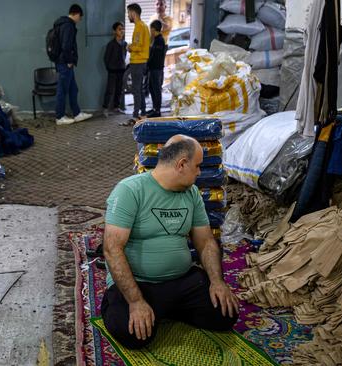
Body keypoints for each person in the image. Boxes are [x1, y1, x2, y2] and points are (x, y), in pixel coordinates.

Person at [101, 135, 239, 349]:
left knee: (225, 314)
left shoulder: (192, 193)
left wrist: (217, 282)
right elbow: (112, 249)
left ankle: (164, 308)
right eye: (197, 166)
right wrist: (136, 302)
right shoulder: (130, 190)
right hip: (140, 284)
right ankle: (126, 303)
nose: (200, 172)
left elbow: (205, 242)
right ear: (182, 164)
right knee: (133, 335)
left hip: (181, 280)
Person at [53, 4, 93, 126]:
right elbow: (66, 46)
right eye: (80, 17)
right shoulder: (68, 25)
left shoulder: (62, 24)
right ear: (75, 14)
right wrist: (69, 61)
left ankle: (76, 113)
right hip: (65, 63)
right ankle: (60, 116)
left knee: (73, 89)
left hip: (62, 62)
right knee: (62, 90)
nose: (79, 20)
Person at [124, 3, 150, 126]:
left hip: (137, 62)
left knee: (136, 89)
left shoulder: (139, 27)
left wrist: (129, 47)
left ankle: (135, 115)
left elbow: (138, 46)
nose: (128, 15)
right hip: (142, 62)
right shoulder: (143, 26)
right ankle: (143, 112)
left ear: (133, 13)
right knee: (139, 89)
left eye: (128, 13)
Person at [103, 22, 127, 117]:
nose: (122, 31)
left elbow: (124, 56)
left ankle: (116, 107)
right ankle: (105, 108)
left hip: (121, 70)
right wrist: (109, 67)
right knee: (110, 90)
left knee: (119, 89)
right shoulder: (111, 44)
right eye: (119, 29)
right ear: (114, 31)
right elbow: (106, 58)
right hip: (112, 71)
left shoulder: (124, 44)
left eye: (123, 29)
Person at [146, 20, 166, 118]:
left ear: (153, 29)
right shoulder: (156, 39)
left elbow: (155, 56)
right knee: (151, 88)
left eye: (151, 29)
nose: (150, 31)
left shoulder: (160, 40)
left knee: (156, 89)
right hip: (153, 68)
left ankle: (157, 110)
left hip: (157, 69)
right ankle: (154, 108)